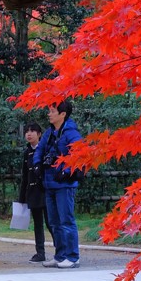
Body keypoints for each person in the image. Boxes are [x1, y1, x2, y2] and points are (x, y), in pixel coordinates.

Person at [33, 101, 83, 269]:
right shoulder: (48, 133)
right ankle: (60, 255)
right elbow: (39, 150)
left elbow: (79, 153)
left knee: (66, 220)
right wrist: (37, 164)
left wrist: (66, 170)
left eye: (53, 111)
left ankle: (72, 256)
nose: (49, 114)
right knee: (54, 222)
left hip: (64, 183)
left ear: (63, 114)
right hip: (49, 182)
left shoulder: (71, 133)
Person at [19, 122, 50, 262]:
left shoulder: (46, 149)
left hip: (46, 191)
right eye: (27, 131)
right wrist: (22, 197)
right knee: (38, 223)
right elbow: (25, 176)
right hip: (33, 193)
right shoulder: (27, 153)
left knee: (51, 222)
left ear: (39, 134)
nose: (29, 134)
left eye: (32, 131)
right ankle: (40, 252)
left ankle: (61, 251)